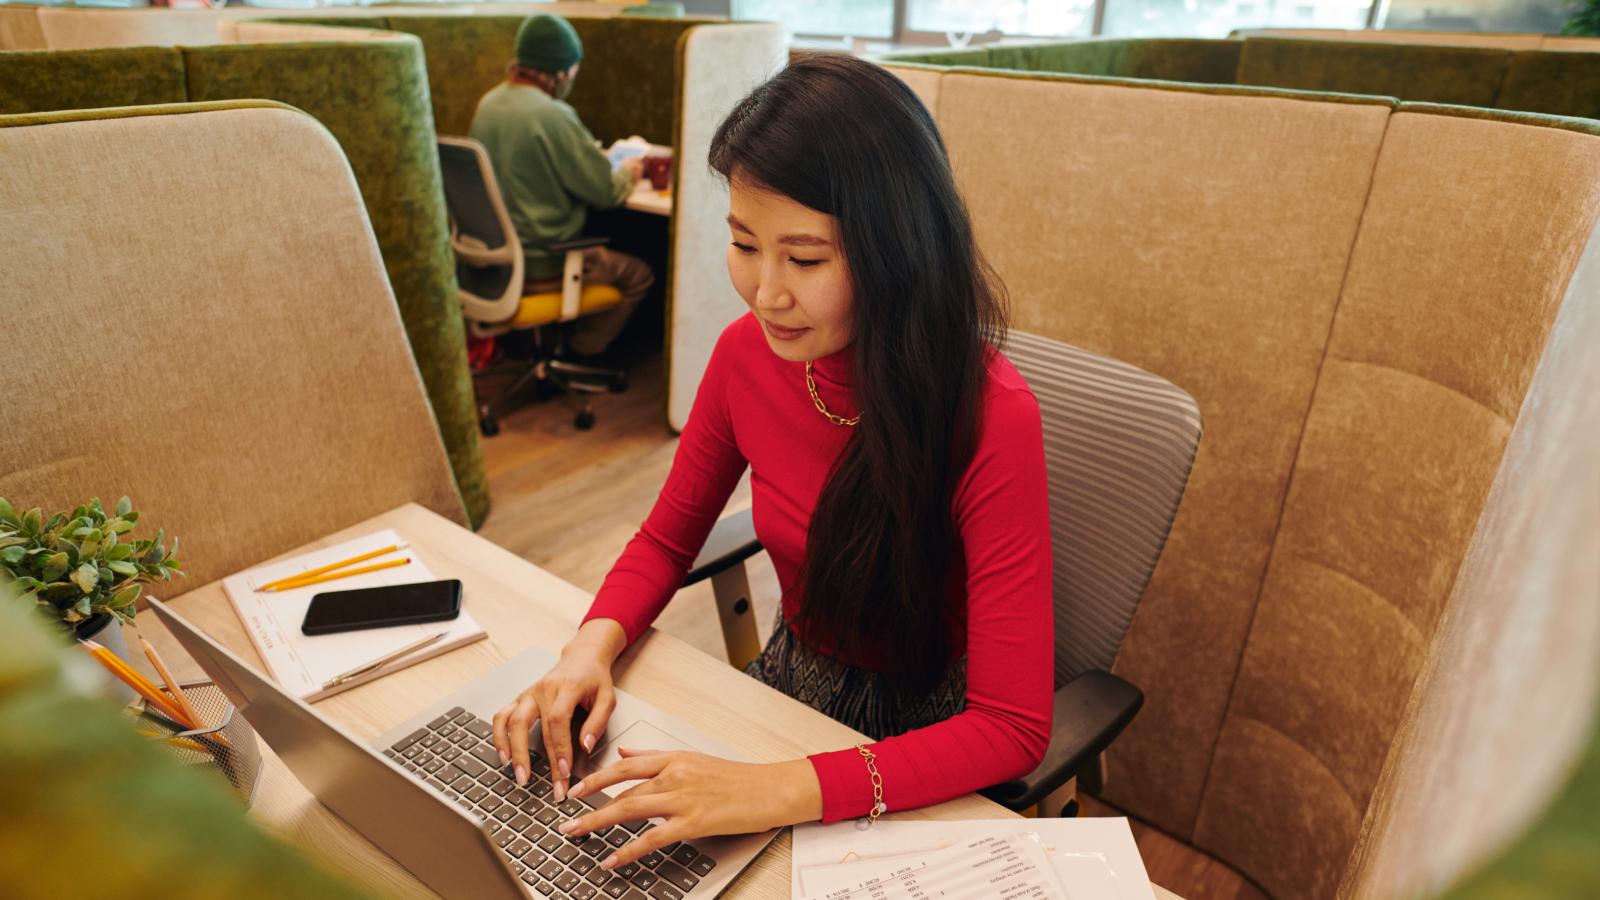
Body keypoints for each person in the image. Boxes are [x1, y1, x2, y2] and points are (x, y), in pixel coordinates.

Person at [491, 55, 1054, 870]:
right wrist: (587, 650)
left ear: (897, 251)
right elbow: (664, 541)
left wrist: (776, 789)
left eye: (807, 259)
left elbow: (1012, 727)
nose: (765, 293)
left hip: (933, 727)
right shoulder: (744, 357)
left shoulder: (990, 414)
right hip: (797, 681)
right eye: (744, 244)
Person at [468, 13, 655, 358]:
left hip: (495, 263)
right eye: (571, 71)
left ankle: (551, 349)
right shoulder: (552, 115)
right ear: (558, 72)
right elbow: (606, 192)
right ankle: (579, 352)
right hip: (546, 263)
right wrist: (630, 170)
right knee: (639, 274)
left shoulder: (488, 104)